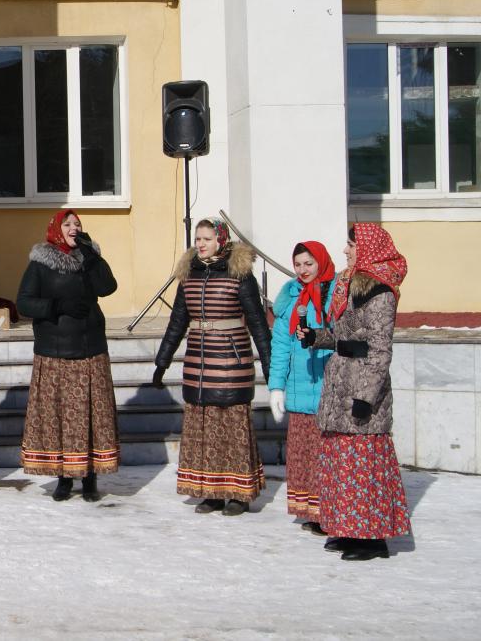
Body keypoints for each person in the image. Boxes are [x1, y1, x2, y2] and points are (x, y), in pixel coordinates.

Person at [300, 224, 411, 561]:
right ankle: (349, 530)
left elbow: (379, 350)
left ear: (368, 248)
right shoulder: (349, 285)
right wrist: (317, 336)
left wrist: (366, 397)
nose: (345, 250)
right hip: (340, 381)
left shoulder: (381, 292)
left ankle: (373, 538)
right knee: (343, 462)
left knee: (364, 464)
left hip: (361, 387)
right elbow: (344, 335)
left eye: (350, 245)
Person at [152, 217, 271, 516]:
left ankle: (239, 494)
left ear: (221, 240)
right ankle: (212, 491)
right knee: (203, 427)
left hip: (231, 360)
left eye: (206, 238)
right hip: (198, 360)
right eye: (197, 239)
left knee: (231, 426)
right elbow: (177, 321)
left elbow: (257, 323)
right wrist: (162, 361)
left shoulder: (240, 275)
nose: (200, 244)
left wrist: (271, 367)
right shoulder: (189, 275)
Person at [16, 210, 119, 502]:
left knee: (90, 416)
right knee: (60, 416)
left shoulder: (89, 258)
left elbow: (108, 287)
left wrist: (92, 257)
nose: (74, 229)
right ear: (56, 229)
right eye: (68, 224)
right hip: (56, 351)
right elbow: (24, 303)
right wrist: (57, 305)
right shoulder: (41, 262)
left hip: (90, 349)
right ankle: (63, 478)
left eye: (78, 225)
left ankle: (89, 477)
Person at [268, 241, 335, 535]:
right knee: (303, 456)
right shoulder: (291, 296)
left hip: (326, 388)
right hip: (298, 387)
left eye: (309, 263)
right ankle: (309, 510)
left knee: (325, 455)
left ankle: (328, 511)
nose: (303, 270)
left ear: (320, 261)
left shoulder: (335, 294)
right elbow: (281, 345)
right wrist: (276, 387)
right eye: (298, 265)